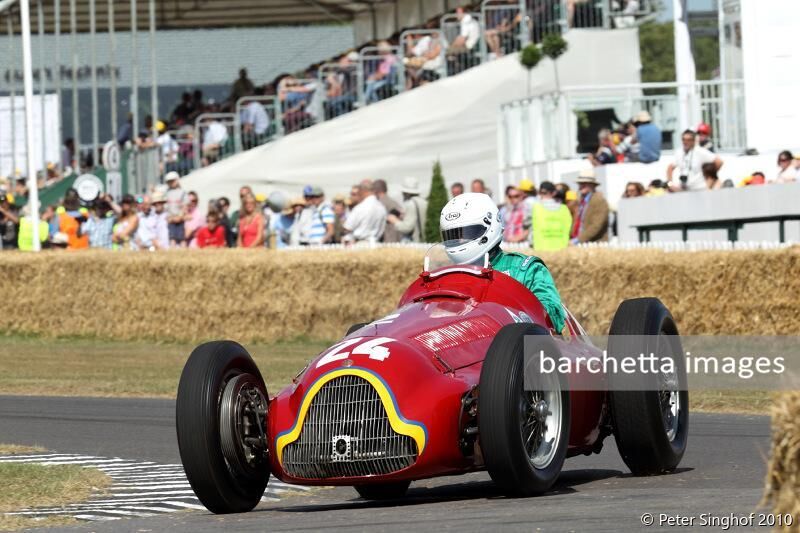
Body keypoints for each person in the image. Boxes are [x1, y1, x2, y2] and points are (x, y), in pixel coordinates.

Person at [439, 192, 566, 333]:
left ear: (490, 226)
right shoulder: (446, 278)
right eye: (452, 235)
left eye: (466, 233)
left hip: (513, 344)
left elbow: (553, 320)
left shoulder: (526, 269)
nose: (459, 240)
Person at [570, 169, 609, 244]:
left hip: (594, 243)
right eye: (580, 184)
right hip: (579, 241)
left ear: (592, 185)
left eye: (584, 184)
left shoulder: (600, 201)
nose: (580, 186)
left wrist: (578, 240)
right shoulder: (580, 200)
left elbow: (596, 225)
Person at [531, 181, 572, 251]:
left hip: (541, 249)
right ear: (554, 193)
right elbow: (569, 228)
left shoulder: (535, 208)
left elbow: (529, 229)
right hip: (561, 249)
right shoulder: (564, 208)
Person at [387, 177, 427, 242]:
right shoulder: (424, 202)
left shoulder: (411, 204)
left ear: (407, 193)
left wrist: (394, 220)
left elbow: (407, 228)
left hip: (416, 242)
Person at [373, 179, 402, 243]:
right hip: (398, 239)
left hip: (388, 240)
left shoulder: (379, 204)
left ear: (375, 190)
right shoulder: (394, 202)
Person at [165, 172, 187, 246]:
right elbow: (166, 207)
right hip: (171, 219)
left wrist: (180, 216)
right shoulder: (167, 193)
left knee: (182, 238)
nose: (171, 183)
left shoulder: (182, 192)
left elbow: (185, 206)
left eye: (172, 181)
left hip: (180, 219)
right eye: (169, 181)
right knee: (172, 237)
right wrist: (169, 218)